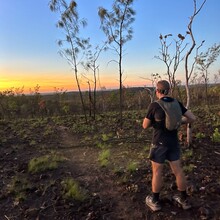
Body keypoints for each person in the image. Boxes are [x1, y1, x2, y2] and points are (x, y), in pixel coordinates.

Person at [142, 80, 196, 212]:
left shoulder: (154, 105)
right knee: (178, 171)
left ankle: (155, 201)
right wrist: (179, 121)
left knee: (157, 172)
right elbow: (191, 118)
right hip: (173, 143)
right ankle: (184, 200)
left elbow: (145, 125)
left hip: (159, 143)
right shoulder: (176, 103)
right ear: (169, 90)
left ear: (157, 91)